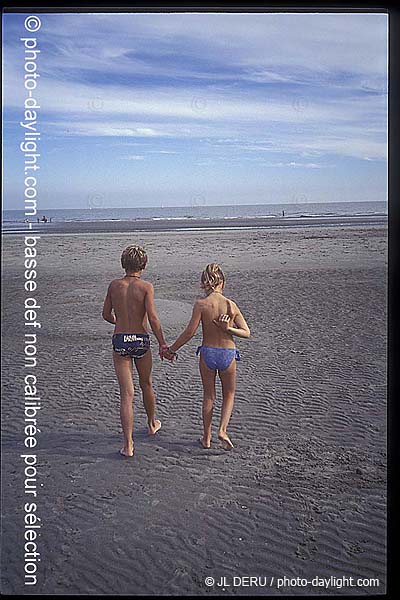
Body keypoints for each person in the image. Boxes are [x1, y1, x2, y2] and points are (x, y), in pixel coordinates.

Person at [164, 263, 250, 450]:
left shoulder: (201, 305)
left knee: (209, 395)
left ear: (205, 283)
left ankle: (206, 438)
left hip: (208, 353)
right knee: (229, 393)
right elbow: (246, 332)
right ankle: (222, 430)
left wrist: (172, 349)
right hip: (228, 353)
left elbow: (189, 333)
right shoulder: (230, 305)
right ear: (222, 283)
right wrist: (229, 329)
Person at [102, 245, 169, 457]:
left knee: (126, 394)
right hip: (141, 339)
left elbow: (105, 314)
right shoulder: (146, 287)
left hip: (121, 339)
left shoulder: (114, 285)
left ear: (123, 264)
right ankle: (151, 423)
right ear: (144, 265)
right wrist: (162, 343)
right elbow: (153, 318)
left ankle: (128, 445)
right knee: (146, 383)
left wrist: (119, 321)